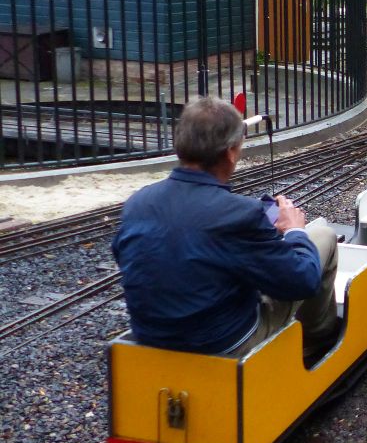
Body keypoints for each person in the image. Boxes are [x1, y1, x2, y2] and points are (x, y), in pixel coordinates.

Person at [112, 97, 339, 363]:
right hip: (221, 343)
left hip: (151, 337)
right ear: (231, 152)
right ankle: (316, 344)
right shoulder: (240, 216)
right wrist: (295, 232)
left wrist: (264, 217)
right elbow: (302, 281)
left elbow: (191, 233)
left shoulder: (137, 203)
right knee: (322, 236)